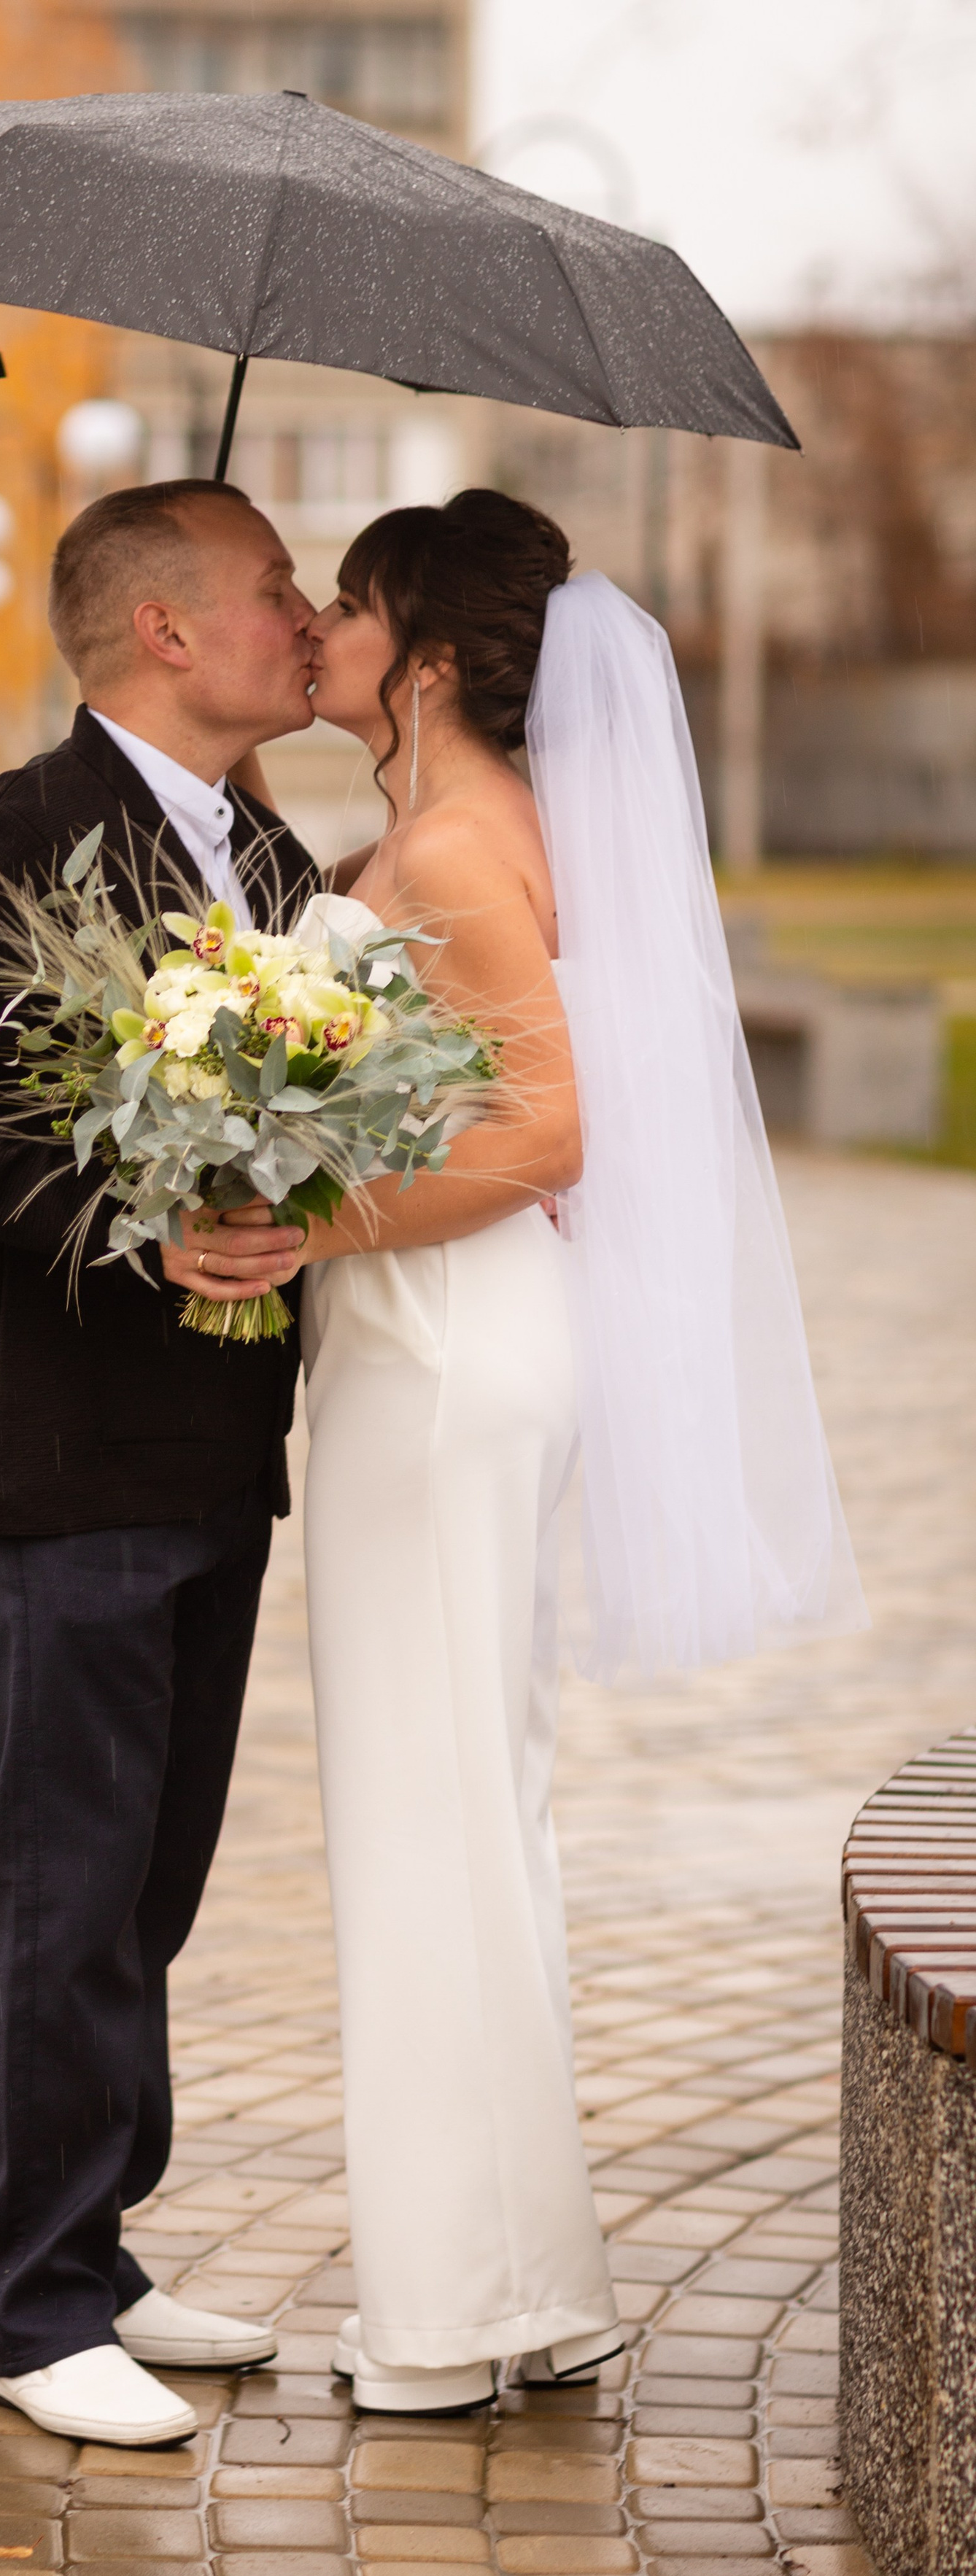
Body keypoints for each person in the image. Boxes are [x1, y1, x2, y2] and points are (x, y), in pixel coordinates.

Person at [212, 489, 864, 2413]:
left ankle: (455, 2315)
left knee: (428, 1813)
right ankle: (530, 2288)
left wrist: (300, 1219)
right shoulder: (451, 830)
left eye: (346, 602)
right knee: (475, 1803)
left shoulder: (452, 851)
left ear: (421, 657)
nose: (317, 628)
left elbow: (547, 1132)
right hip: (450, 1343)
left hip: (443, 1353)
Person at [0, 478, 322, 2445]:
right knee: (70, 1877)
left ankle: (95, 2250)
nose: (305, 614)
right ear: (166, 629)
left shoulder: (265, 854)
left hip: (212, 1440)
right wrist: (123, 1216)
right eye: (273, 586)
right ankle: (29, 2311)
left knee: (148, 1884)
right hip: (49, 1458)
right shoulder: (18, 835)